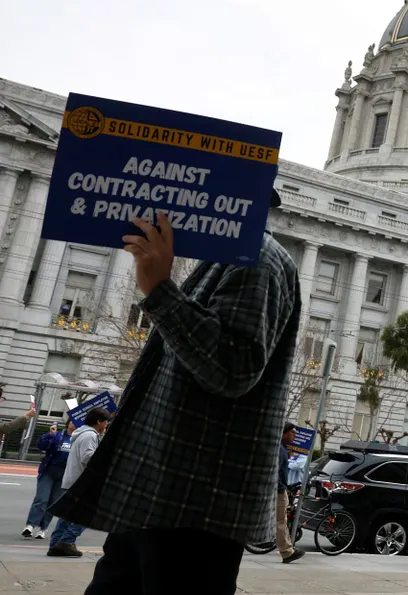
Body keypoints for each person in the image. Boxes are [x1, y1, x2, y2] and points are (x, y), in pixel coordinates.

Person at [52, 194, 302, 594]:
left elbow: (233, 369)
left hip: (192, 504)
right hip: (159, 495)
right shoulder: (223, 259)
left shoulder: (255, 257)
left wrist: (159, 289)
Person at [48, 409, 109, 558]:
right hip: (82, 482)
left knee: (67, 515)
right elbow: (87, 457)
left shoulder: (82, 433)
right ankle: (66, 542)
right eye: (106, 421)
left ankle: (55, 545)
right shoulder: (90, 435)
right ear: (99, 421)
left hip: (72, 479)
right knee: (85, 515)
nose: (107, 424)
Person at [23, 421, 74, 539]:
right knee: (42, 498)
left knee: (53, 503)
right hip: (49, 471)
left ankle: (43, 528)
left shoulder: (79, 438)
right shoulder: (58, 435)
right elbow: (41, 445)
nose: (74, 424)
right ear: (67, 423)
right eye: (71, 421)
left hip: (64, 475)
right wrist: (49, 435)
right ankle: (30, 525)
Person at [276, 423, 304, 564]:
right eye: (292, 432)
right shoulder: (281, 450)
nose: (295, 435)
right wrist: (281, 488)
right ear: (284, 433)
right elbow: (277, 472)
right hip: (278, 490)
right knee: (281, 521)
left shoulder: (282, 448)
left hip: (278, 488)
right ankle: (287, 552)